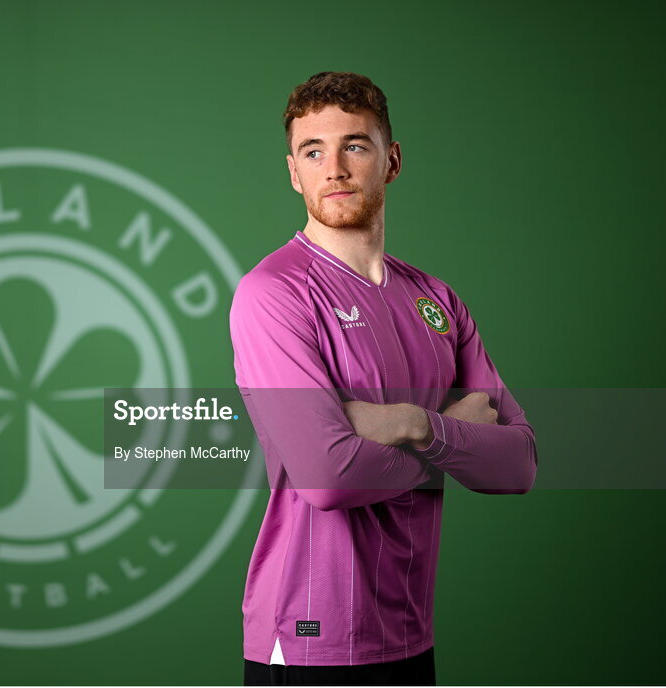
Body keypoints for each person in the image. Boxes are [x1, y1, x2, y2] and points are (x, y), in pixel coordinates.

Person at [230, 71, 538, 686]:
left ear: (391, 160)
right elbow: (324, 477)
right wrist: (442, 431)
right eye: (313, 151)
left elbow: (518, 465)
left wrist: (407, 426)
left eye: (356, 145)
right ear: (294, 172)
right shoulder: (274, 293)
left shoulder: (437, 299)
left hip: (408, 632)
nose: (334, 167)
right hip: (310, 636)